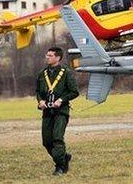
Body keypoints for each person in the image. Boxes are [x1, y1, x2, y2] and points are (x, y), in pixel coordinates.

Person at [36, 47, 79, 176]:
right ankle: (64, 157)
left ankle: (60, 167)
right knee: (46, 141)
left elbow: (74, 92)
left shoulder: (66, 73)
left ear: (57, 58)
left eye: (50, 55)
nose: (47, 57)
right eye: (47, 55)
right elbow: (37, 91)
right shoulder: (42, 73)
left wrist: (61, 99)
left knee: (57, 138)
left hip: (61, 112)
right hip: (47, 112)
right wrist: (40, 101)